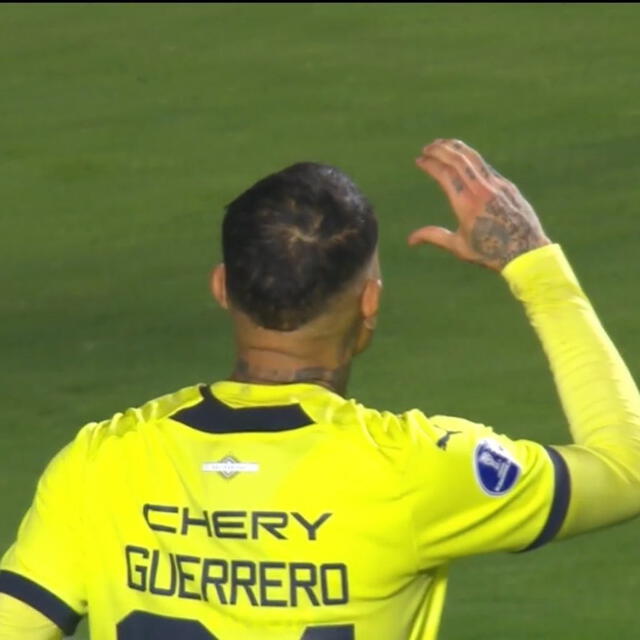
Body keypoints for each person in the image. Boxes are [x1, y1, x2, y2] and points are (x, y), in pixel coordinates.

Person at [1, 139, 640, 640]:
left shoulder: (100, 465)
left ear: (223, 287)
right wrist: (536, 266)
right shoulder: (415, 469)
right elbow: (628, 468)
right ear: (371, 303)